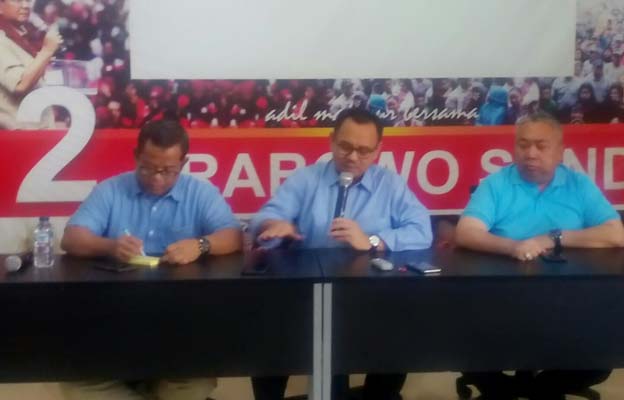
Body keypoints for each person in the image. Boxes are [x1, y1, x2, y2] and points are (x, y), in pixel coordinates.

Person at [250, 108, 432, 400]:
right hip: (306, 292)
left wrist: (372, 240)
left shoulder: (390, 184)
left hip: (369, 294)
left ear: (378, 151)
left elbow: (422, 230)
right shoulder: (305, 179)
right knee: (267, 333)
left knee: (401, 330)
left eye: (364, 150)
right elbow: (264, 218)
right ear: (331, 140)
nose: (353, 157)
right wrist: (274, 226)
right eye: (345, 146)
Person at [60, 119, 242, 400]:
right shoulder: (110, 190)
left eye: (168, 171)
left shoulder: (201, 192)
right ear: (136, 157)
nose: (157, 178)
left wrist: (201, 245)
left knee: (194, 384)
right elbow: (71, 238)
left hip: (181, 320)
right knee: (77, 385)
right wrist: (110, 245)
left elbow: (234, 236)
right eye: (147, 168)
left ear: (184, 163)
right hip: (115, 318)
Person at [455, 111, 624, 400]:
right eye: (523, 145)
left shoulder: (578, 185)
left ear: (560, 151)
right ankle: (522, 391)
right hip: (501, 301)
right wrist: (513, 247)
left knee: (597, 360)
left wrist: (552, 238)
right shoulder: (496, 184)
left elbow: (616, 234)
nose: (531, 153)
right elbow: (466, 232)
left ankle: (534, 389)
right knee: (471, 349)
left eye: (541, 145)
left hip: (569, 303)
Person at [0, 0, 62, 129]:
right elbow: (20, 85)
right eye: (18, 0)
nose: (25, 6)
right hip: (19, 134)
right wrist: (47, 51)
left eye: (28, 0)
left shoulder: (21, 35)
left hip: (36, 130)